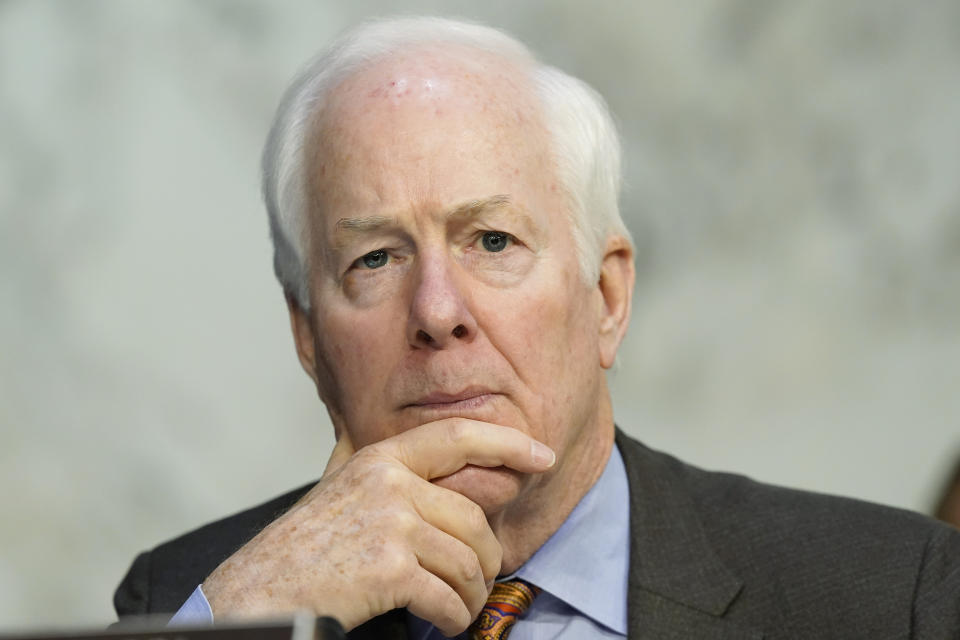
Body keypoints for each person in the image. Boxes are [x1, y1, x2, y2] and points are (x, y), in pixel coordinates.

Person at [114, 16, 960, 639]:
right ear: (309, 338)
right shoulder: (193, 596)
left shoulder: (895, 595)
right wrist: (245, 624)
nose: (437, 312)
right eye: (374, 259)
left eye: (493, 240)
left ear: (606, 298)